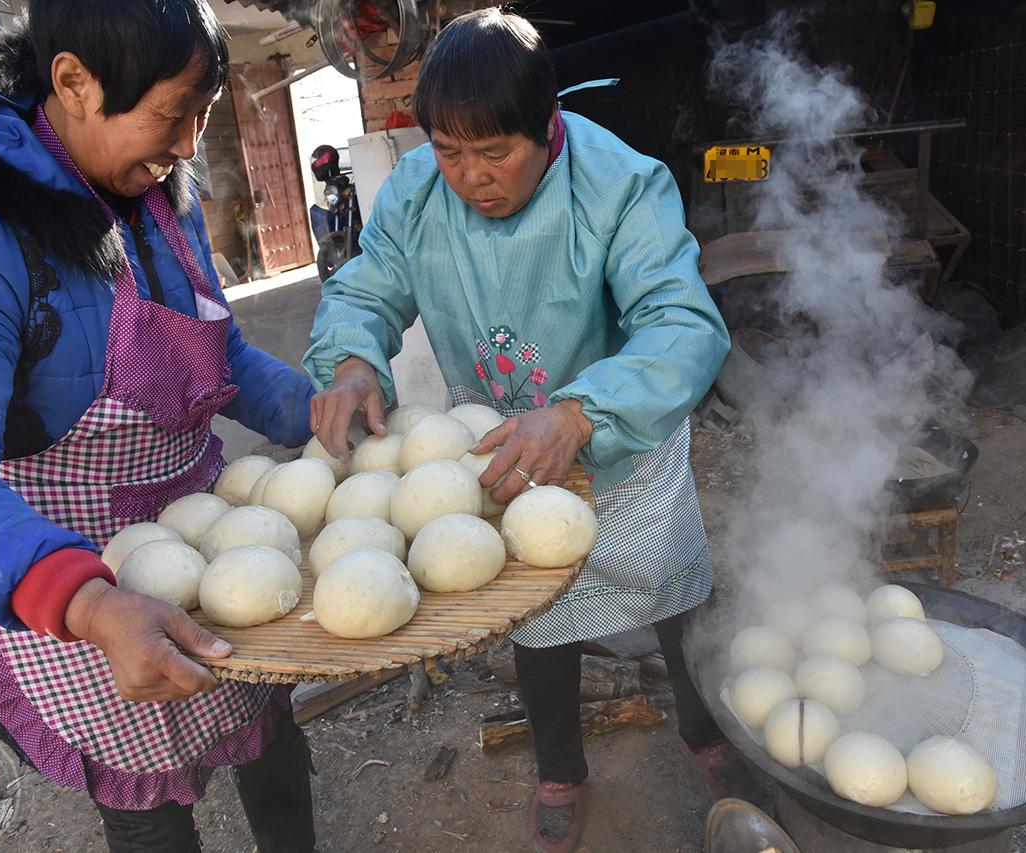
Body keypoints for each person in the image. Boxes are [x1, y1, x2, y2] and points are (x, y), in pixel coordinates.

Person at [304, 9, 734, 852]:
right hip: (506, 452)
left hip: (623, 440)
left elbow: (684, 324)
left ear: (549, 124)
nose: (470, 177)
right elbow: (366, 288)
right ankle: (560, 769)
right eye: (449, 151)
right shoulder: (417, 191)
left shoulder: (623, 185)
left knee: (676, 593)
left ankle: (709, 733)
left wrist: (581, 413)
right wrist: (353, 356)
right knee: (536, 612)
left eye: (495, 152)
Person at [0, 3, 317, 850]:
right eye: (172, 114)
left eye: (203, 114)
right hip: (66, 580)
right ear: (73, 83)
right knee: (149, 809)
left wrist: (318, 410)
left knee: (269, 736)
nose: (192, 144)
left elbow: (217, 347)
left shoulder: (158, 189)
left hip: (206, 543)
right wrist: (83, 600)